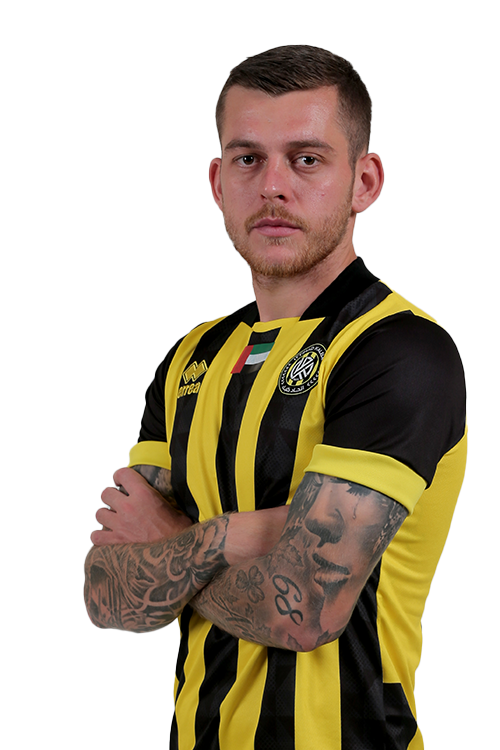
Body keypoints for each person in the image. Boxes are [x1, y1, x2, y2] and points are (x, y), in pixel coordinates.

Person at [84, 45, 467, 750]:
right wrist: (258, 535)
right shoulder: (191, 357)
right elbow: (109, 595)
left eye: (307, 158)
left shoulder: (401, 351)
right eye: (248, 158)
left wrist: (176, 541)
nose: (273, 187)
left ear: (365, 181)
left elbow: (304, 609)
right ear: (216, 180)